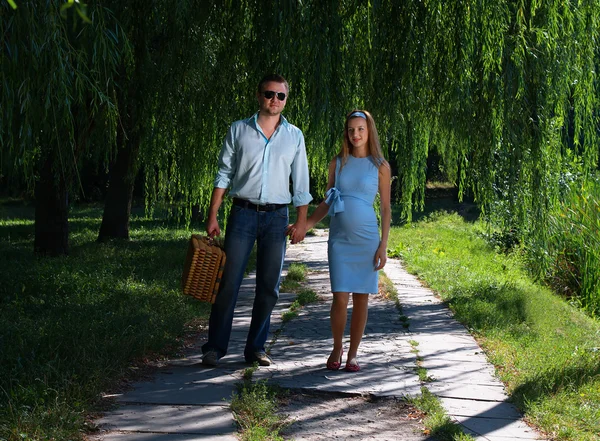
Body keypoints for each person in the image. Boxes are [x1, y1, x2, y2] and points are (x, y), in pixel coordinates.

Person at [202, 74, 312, 367]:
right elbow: (224, 173)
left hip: (277, 218)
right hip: (242, 214)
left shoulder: (295, 136)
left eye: (280, 95)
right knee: (228, 283)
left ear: (286, 99)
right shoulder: (238, 130)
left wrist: (301, 222)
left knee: (269, 287)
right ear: (258, 95)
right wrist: (213, 213)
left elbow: (301, 184)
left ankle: (256, 349)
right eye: (268, 94)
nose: (274, 100)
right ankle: (215, 347)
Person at [295, 109, 391, 372]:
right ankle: (337, 346)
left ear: (369, 131)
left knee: (361, 298)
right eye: (351, 130)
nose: (355, 134)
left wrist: (383, 244)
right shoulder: (337, 163)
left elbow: (385, 208)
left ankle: (353, 354)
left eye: (360, 129)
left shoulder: (380, 166)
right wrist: (305, 225)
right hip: (339, 239)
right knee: (339, 296)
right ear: (346, 133)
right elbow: (328, 202)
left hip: (367, 239)